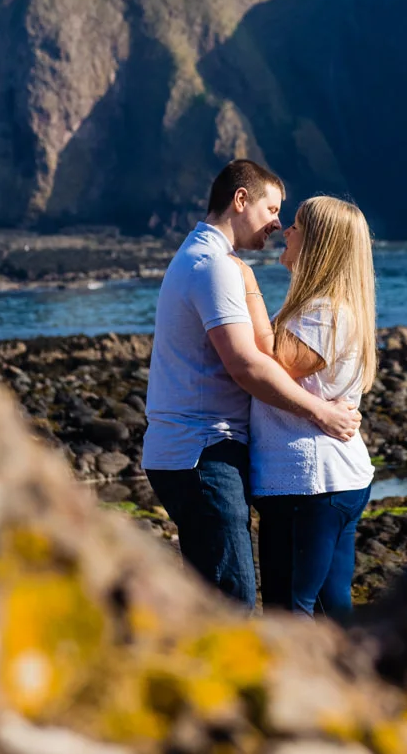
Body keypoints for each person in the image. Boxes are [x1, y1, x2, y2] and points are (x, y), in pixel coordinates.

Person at [140, 160, 361, 610]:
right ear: (241, 200)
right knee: (233, 604)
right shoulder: (215, 266)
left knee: (232, 599)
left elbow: (263, 358)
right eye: (273, 209)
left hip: (197, 449)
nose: (279, 224)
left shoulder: (204, 258)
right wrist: (323, 413)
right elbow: (248, 364)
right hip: (202, 450)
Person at [243, 195, 377, 623]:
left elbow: (266, 364)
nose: (286, 230)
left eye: (297, 226)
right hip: (330, 481)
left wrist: (244, 281)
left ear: (319, 245)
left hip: (310, 482)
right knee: (330, 610)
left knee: (290, 612)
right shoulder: (326, 308)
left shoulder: (324, 312)